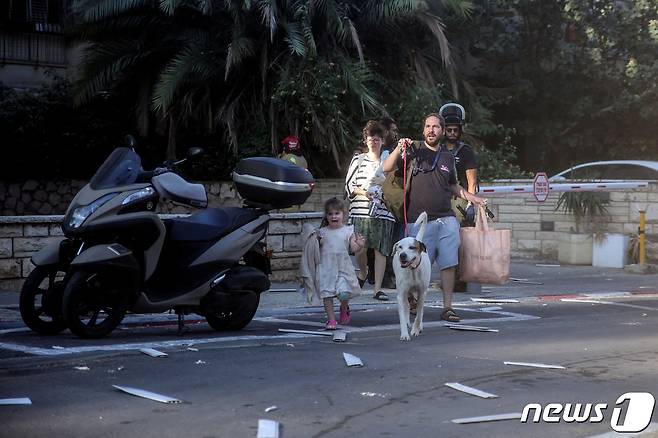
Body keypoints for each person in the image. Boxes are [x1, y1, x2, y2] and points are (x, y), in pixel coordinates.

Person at [383, 113, 487, 322]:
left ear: (441, 130)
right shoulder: (413, 149)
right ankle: (411, 298)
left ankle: (447, 307)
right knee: (415, 263)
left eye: (436, 127)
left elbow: (452, 185)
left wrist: (471, 197)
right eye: (428, 126)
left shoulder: (448, 156)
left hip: (446, 219)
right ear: (423, 130)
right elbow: (387, 168)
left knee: (449, 263)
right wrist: (398, 148)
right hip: (418, 221)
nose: (431, 130)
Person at [345, 120, 397, 301]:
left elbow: (395, 185)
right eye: (370, 139)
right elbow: (349, 186)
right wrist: (364, 192)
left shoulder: (389, 160)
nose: (374, 142)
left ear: (383, 140)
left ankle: (377, 289)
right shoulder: (358, 160)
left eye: (377, 139)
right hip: (360, 212)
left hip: (383, 211)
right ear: (365, 140)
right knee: (360, 248)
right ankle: (363, 271)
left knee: (381, 250)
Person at [299, 197, 365, 330]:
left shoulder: (348, 231)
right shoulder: (322, 233)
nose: (334, 216)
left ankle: (344, 307)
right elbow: (314, 249)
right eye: (330, 214)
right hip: (326, 268)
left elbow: (354, 248)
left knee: (344, 293)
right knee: (327, 294)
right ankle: (331, 319)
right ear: (326, 216)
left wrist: (360, 244)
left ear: (343, 214)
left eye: (337, 213)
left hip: (343, 267)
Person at [439, 103, 478, 224]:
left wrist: (471, 204)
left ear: (460, 131)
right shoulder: (438, 150)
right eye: (449, 130)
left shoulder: (465, 151)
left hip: (460, 199)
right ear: (444, 131)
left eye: (455, 130)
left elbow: (472, 181)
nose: (452, 133)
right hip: (441, 199)